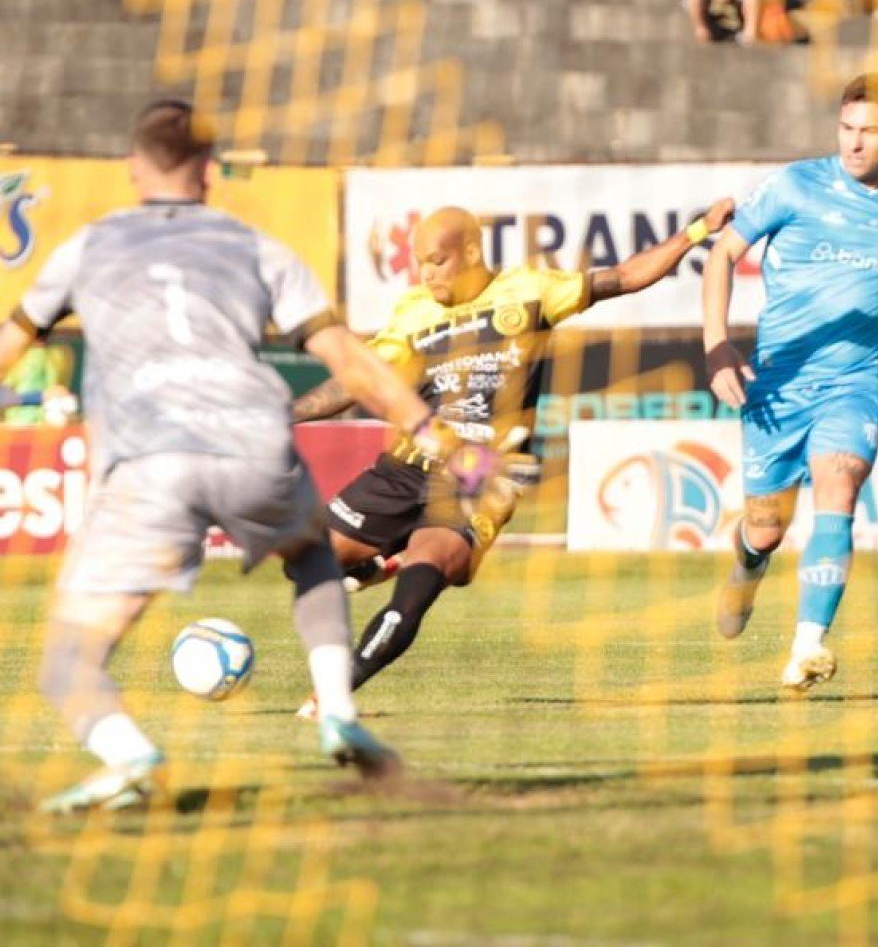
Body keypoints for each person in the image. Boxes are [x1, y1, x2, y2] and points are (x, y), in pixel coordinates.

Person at [0, 100, 512, 811]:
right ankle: (337, 707)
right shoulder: (257, 246)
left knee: (69, 659)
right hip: (252, 441)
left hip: (148, 457)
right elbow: (353, 363)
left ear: (131, 169)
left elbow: (0, 353)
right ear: (210, 173)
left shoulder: (88, 246)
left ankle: (127, 752)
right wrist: (440, 441)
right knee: (309, 557)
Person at [289, 199, 735, 701]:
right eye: (421, 263)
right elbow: (358, 380)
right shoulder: (413, 312)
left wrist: (697, 230)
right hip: (405, 469)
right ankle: (380, 558)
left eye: (438, 260)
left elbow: (626, 277)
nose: (427, 273)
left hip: (479, 477)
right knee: (305, 564)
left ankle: (332, 698)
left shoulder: (529, 292)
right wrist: (287, 414)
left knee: (413, 593)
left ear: (473, 252)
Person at [703, 73, 878, 691]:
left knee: (841, 481)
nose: (855, 143)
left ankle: (808, 648)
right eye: (847, 128)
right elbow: (722, 254)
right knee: (765, 529)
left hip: (857, 380)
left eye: (870, 131)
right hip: (778, 383)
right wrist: (716, 346)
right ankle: (749, 567)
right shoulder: (795, 185)